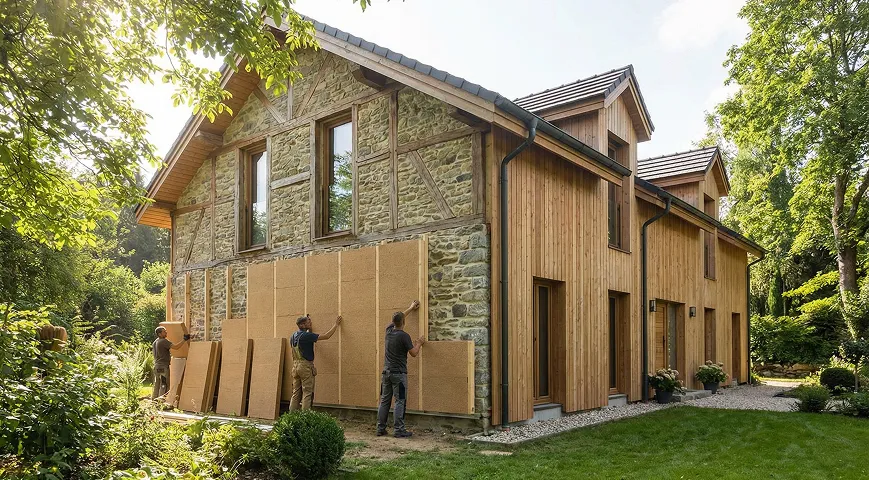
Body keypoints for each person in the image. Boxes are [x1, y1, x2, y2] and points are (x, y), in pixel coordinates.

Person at [377, 300, 425, 438]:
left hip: (386, 373)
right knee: (400, 400)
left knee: (385, 400)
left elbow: (397, 318)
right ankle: (399, 430)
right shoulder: (404, 336)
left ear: (393, 322)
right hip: (399, 374)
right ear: (403, 322)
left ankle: (380, 429)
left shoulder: (388, 331)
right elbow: (414, 353)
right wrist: (419, 344)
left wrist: (409, 308)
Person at [289, 314, 342, 411]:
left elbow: (306, 341)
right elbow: (326, 336)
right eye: (308, 322)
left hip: (295, 366)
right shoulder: (306, 336)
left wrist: (309, 326)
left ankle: (291, 417)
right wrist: (336, 324)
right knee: (307, 392)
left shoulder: (293, 336)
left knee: (296, 393)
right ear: (302, 325)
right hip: (305, 367)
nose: (311, 323)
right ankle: (306, 418)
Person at [151, 326, 191, 400]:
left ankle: (154, 400)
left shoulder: (155, 342)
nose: (166, 332)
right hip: (163, 367)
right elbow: (176, 347)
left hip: (157, 367)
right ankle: (161, 402)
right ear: (159, 334)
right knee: (164, 384)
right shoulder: (163, 341)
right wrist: (184, 339)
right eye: (164, 331)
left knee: (157, 384)